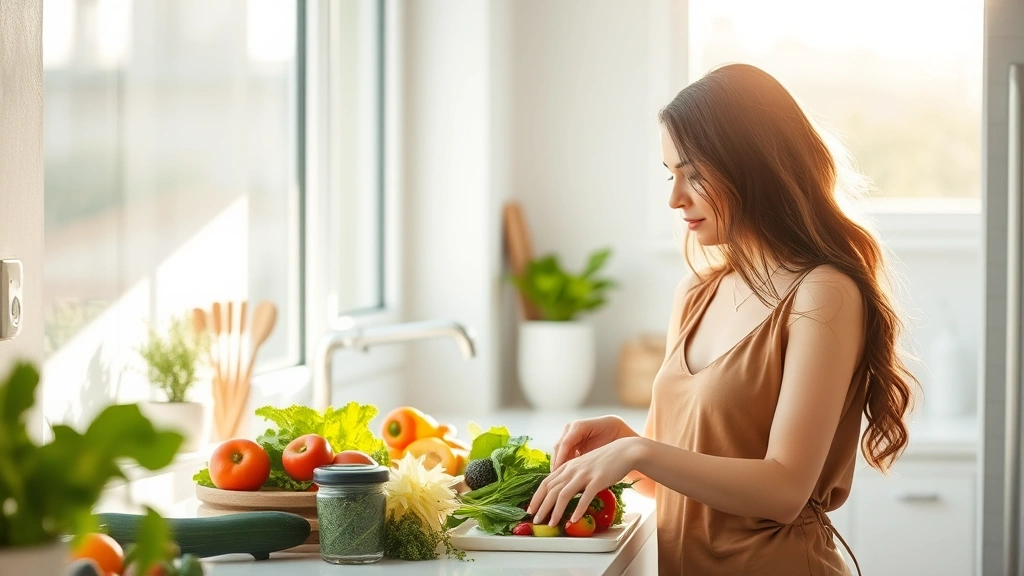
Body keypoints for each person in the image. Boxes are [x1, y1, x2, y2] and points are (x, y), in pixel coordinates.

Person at [526, 64, 917, 576]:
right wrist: (629, 448)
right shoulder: (696, 294)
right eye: (671, 174)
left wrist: (640, 449)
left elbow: (783, 490)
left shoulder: (822, 294)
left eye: (695, 175)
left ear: (756, 166)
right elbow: (679, 485)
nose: (675, 198)